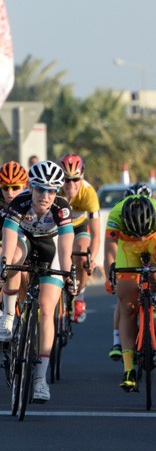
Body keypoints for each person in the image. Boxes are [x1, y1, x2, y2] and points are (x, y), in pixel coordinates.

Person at [0, 160, 75, 402]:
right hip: (25, 239)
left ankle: (41, 379)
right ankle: (9, 316)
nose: (45, 195)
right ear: (30, 187)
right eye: (40, 189)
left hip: (50, 247)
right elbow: (10, 236)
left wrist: (68, 273)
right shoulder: (19, 202)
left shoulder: (61, 209)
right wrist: (4, 263)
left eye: (52, 190)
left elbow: (65, 246)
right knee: (14, 259)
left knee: (47, 307)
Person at [104, 194, 156, 391]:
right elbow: (109, 251)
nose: (140, 238)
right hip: (127, 249)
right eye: (136, 233)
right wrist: (109, 276)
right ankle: (129, 370)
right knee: (127, 308)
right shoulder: (115, 216)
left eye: (142, 233)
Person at [58, 154, 101, 323]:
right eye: (66, 180)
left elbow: (96, 234)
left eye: (75, 179)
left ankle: (80, 296)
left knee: (82, 253)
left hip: (79, 227)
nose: (70, 185)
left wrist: (92, 258)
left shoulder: (89, 193)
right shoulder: (56, 191)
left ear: (82, 176)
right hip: (59, 226)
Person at [0, 161, 30, 339]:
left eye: (15, 187)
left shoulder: (31, 198)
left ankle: (28, 316)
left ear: (24, 186)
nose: (10, 192)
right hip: (5, 243)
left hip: (25, 241)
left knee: (24, 275)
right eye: (5, 187)